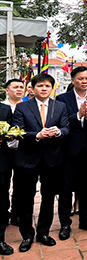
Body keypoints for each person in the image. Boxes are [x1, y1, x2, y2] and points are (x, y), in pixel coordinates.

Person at [12, 73, 69, 252]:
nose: (44, 89)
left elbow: (66, 128)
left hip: (52, 159)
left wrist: (58, 132)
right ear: (33, 88)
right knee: (26, 198)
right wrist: (36, 135)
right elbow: (17, 132)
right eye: (40, 86)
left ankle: (43, 232)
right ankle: (27, 235)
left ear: (52, 89)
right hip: (27, 159)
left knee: (48, 197)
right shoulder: (22, 107)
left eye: (47, 86)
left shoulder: (59, 106)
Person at [56, 67, 87, 241]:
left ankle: (85, 220)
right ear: (73, 79)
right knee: (66, 188)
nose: (84, 82)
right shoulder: (62, 99)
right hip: (68, 149)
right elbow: (63, 121)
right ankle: (65, 224)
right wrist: (78, 115)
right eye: (81, 78)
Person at [1, 79, 24, 227]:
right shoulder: (3, 108)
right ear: (7, 90)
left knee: (21, 184)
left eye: (22, 87)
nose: (19, 90)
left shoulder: (29, 107)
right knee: (3, 184)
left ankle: (18, 214)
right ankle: (4, 212)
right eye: (15, 87)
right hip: (5, 153)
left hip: (24, 151)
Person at [0, 102, 13, 255]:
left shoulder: (5, 109)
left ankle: (0, 239)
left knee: (1, 203)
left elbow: (12, 136)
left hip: (1, 164)